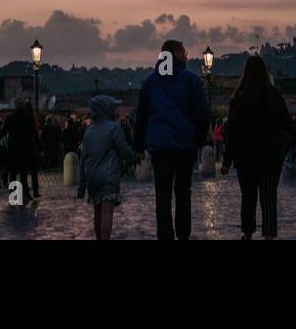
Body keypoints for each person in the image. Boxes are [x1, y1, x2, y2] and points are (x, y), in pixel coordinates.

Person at [133, 39, 210, 241]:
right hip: (185, 145)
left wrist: (138, 145)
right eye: (183, 51)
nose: (186, 55)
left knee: (163, 196)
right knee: (184, 193)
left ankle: (165, 237)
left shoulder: (150, 82)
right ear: (175, 53)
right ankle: (183, 235)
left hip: (160, 146)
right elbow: (202, 114)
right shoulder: (191, 81)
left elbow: (141, 116)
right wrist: (198, 139)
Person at [221, 55, 295, 239]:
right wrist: (283, 148)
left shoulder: (239, 98)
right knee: (269, 198)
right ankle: (269, 235)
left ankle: (247, 234)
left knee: (248, 198)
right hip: (271, 157)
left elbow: (233, 132)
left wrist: (226, 161)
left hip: (245, 157)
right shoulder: (275, 96)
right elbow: (287, 125)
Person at [78, 95, 134, 239]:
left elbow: (83, 159)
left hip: (92, 177)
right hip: (108, 176)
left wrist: (81, 186)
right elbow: (123, 149)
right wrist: (134, 157)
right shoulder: (114, 127)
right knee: (107, 213)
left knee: (97, 213)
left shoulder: (89, 131)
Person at [2, 100, 40, 203]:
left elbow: (3, 132)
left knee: (13, 173)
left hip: (13, 149)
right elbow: (35, 134)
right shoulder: (29, 118)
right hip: (25, 149)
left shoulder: (10, 118)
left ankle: (14, 196)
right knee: (24, 173)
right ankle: (25, 194)